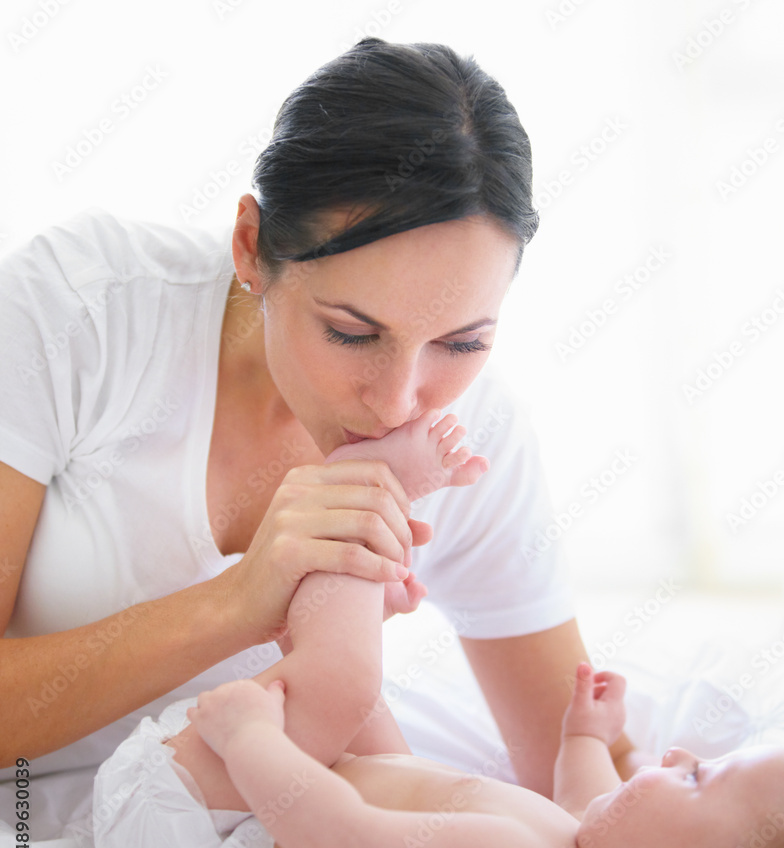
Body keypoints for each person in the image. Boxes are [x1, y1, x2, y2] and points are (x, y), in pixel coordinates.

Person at [0, 36, 645, 788]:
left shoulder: (474, 440)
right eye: (351, 332)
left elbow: (577, 765)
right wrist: (242, 604)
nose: (400, 400)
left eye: (462, 343)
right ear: (250, 247)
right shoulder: (86, 309)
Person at [93, 413, 784, 848]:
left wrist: (251, 740)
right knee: (385, 748)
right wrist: (587, 738)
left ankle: (366, 493)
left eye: (699, 778)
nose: (682, 754)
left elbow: (339, 841)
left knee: (347, 688)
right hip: (254, 829)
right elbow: (583, 802)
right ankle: (335, 611)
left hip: (183, 832)